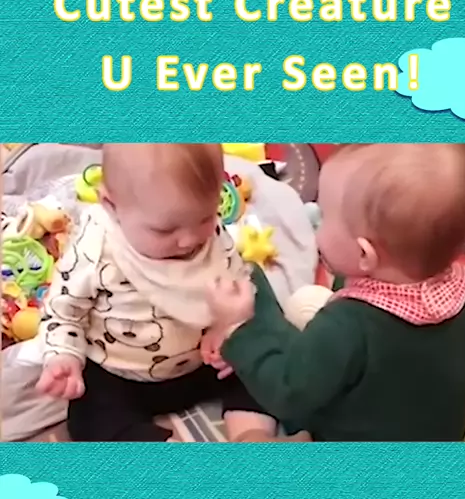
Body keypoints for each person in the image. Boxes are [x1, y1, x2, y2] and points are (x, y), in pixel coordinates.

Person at [206, 143, 465, 442]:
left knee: (253, 375)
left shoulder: (348, 326)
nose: (316, 225)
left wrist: (240, 328)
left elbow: (287, 391)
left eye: (323, 217)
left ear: (364, 255)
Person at [36, 143, 286, 442]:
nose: (189, 240)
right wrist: (63, 357)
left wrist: (225, 327)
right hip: (121, 375)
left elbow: (233, 280)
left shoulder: (209, 233)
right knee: (88, 417)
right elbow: (62, 311)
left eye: (206, 218)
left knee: (258, 361)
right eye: (165, 230)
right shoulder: (96, 250)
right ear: (111, 206)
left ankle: (252, 436)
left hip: (204, 362)